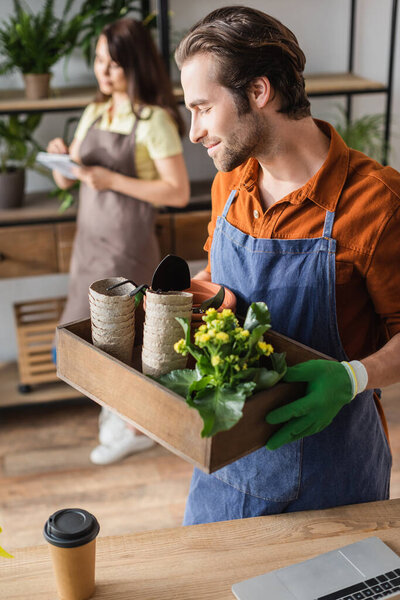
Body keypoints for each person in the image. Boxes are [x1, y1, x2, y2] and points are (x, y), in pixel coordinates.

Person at [174, 5, 400, 525]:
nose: (194, 131)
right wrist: (189, 304)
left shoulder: (378, 204)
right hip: (226, 466)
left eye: (203, 108)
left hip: (335, 476)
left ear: (258, 92)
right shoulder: (229, 186)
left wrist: (352, 377)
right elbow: (223, 288)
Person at [48, 18, 190, 465]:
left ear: (135, 64)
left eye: (113, 64)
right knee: (86, 338)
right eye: (98, 61)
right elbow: (71, 181)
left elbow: (178, 192)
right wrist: (60, 162)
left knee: (117, 340)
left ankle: (130, 425)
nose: (103, 72)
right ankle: (125, 423)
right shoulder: (95, 112)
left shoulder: (154, 120)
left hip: (126, 247)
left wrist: (112, 179)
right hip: (89, 243)